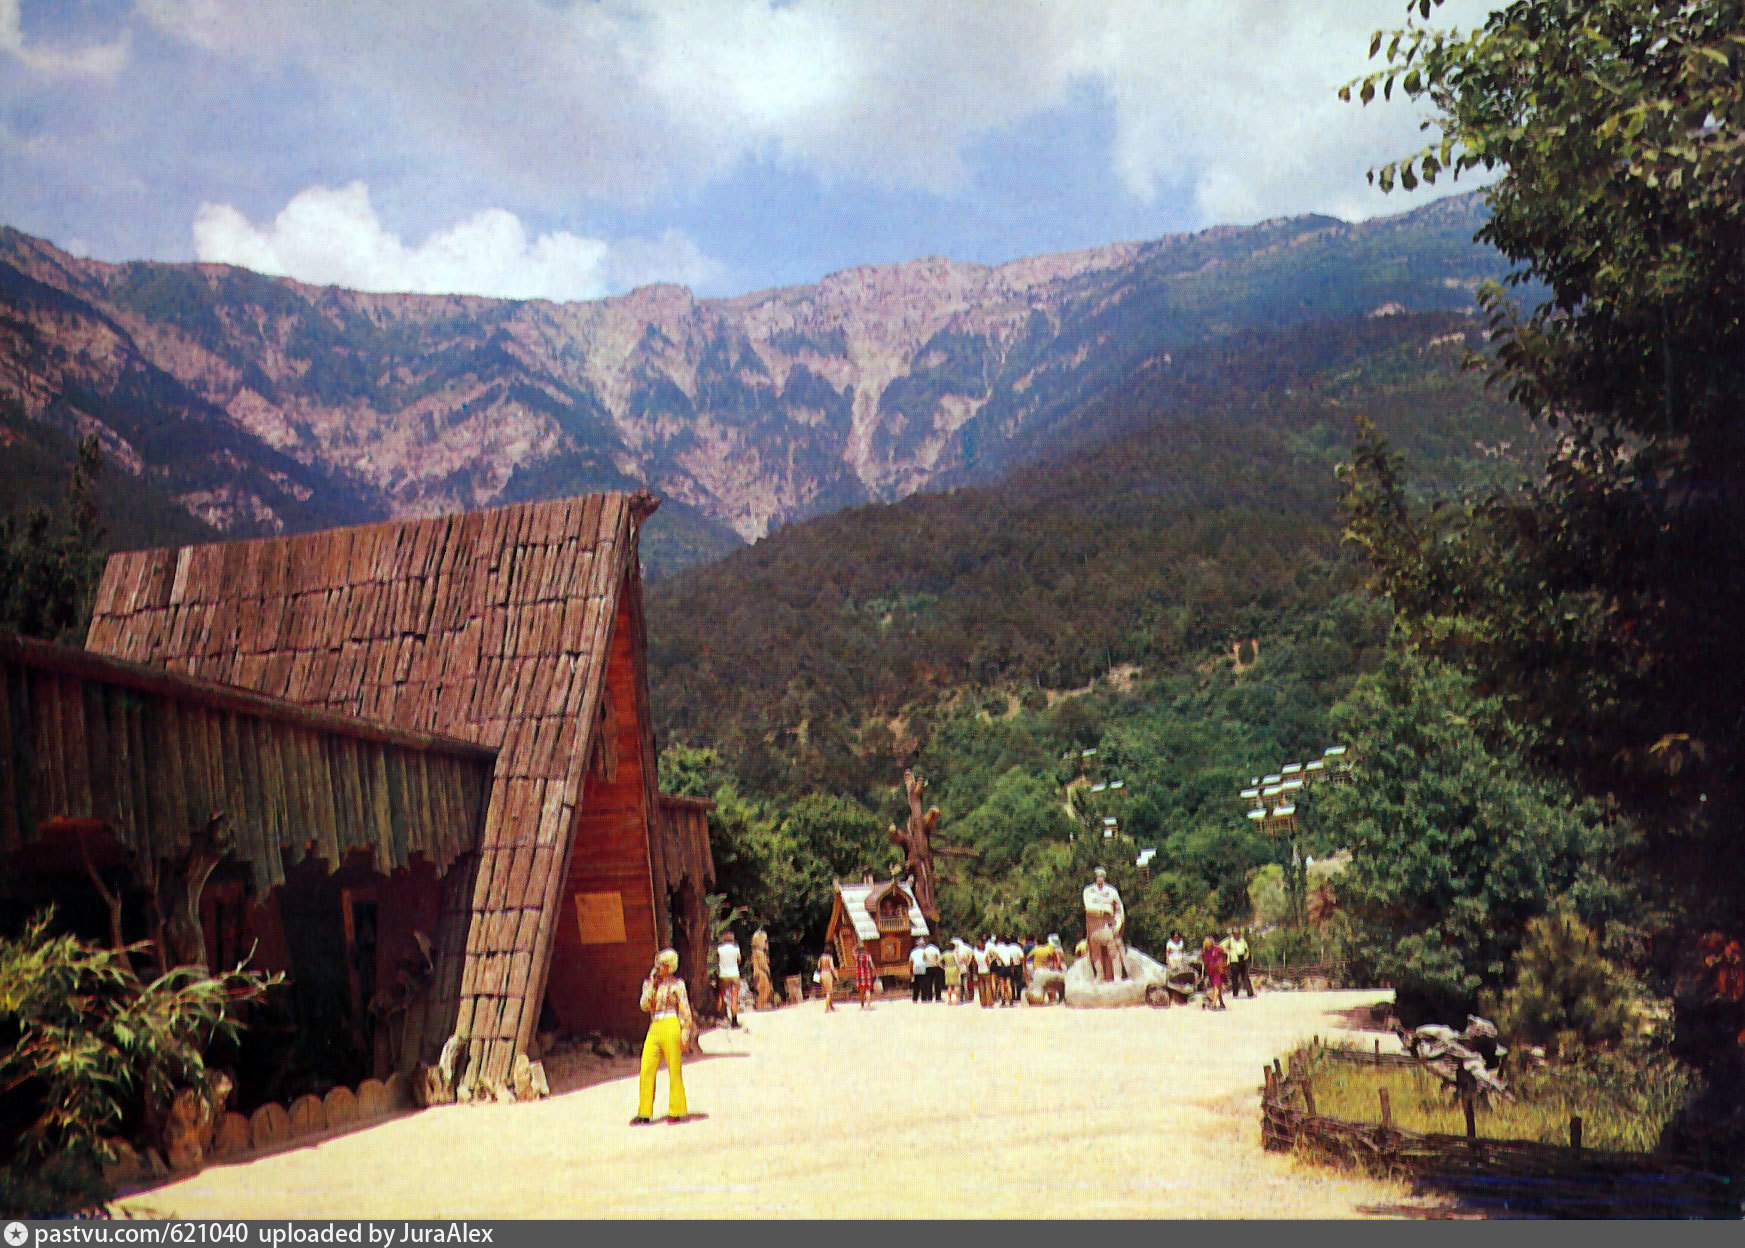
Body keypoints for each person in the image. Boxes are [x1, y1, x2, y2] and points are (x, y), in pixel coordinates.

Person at [634, 948, 695, 1123]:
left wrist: (685, 1032)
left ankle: (676, 1110)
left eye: (661, 964)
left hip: (671, 1023)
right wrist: (652, 987)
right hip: (655, 1025)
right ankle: (644, 1112)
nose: (657, 967)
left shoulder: (677, 985)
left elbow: (684, 1010)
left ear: (669, 967)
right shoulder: (649, 983)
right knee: (647, 1067)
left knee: (674, 1068)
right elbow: (644, 1006)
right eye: (657, 963)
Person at [1083, 867, 1126, 982]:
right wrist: (1103, 910)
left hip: (1108, 924)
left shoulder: (1112, 891)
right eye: (1097, 875)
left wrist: (1118, 923)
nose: (1099, 878)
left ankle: (1117, 976)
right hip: (1093, 925)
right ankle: (1099, 975)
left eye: (1101, 875)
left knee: (1113, 950)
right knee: (1095, 952)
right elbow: (1088, 907)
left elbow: (1119, 908)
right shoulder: (1088, 891)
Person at [717, 930, 742, 1027]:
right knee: (734, 997)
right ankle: (734, 1020)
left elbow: (718, 959)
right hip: (734, 974)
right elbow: (739, 960)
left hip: (723, 974)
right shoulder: (736, 948)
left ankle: (718, 1015)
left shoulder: (720, 948)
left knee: (721, 995)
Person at [1223, 926, 1255, 999]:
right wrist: (1228, 952)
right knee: (1234, 978)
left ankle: (1250, 993)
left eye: (1238, 933)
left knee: (1245, 977)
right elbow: (1221, 946)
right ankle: (1235, 994)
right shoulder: (1229, 940)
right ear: (1233, 934)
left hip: (1242, 959)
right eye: (1235, 933)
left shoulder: (1242, 940)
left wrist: (1246, 955)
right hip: (1234, 960)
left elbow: (1246, 948)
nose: (1237, 935)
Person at [1201, 935, 1227, 1010]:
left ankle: (1213, 1004)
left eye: (1210, 944)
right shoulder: (1204, 952)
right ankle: (1222, 1003)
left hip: (1218, 969)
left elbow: (1225, 952)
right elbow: (1204, 962)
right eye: (1207, 944)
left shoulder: (1217, 949)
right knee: (1216, 987)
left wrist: (1224, 964)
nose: (1209, 945)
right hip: (1211, 970)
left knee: (1216, 986)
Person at [854, 941, 877, 1009]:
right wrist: (874, 971)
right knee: (867, 990)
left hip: (859, 974)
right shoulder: (867, 955)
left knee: (861, 991)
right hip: (866, 973)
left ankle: (862, 1006)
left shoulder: (856, 955)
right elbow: (871, 964)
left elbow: (853, 950)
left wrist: (856, 945)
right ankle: (869, 1005)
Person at [974, 935, 995, 1008]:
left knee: (981, 987)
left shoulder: (977, 953)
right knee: (988, 987)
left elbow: (975, 962)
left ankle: (983, 1002)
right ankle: (989, 1002)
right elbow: (987, 962)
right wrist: (990, 964)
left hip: (980, 971)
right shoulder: (985, 953)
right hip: (986, 971)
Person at [818, 947, 838, 1012]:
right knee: (829, 992)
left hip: (822, 973)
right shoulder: (830, 957)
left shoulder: (821, 957)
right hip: (828, 974)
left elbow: (818, 966)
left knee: (827, 991)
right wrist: (836, 975)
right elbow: (832, 967)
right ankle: (827, 1008)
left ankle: (831, 1006)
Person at [922, 936, 942, 1002]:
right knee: (937, 983)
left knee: (929, 982)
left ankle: (929, 997)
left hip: (928, 967)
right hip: (936, 967)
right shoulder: (936, 949)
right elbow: (938, 958)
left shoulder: (925, 950)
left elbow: (923, 958)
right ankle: (938, 997)